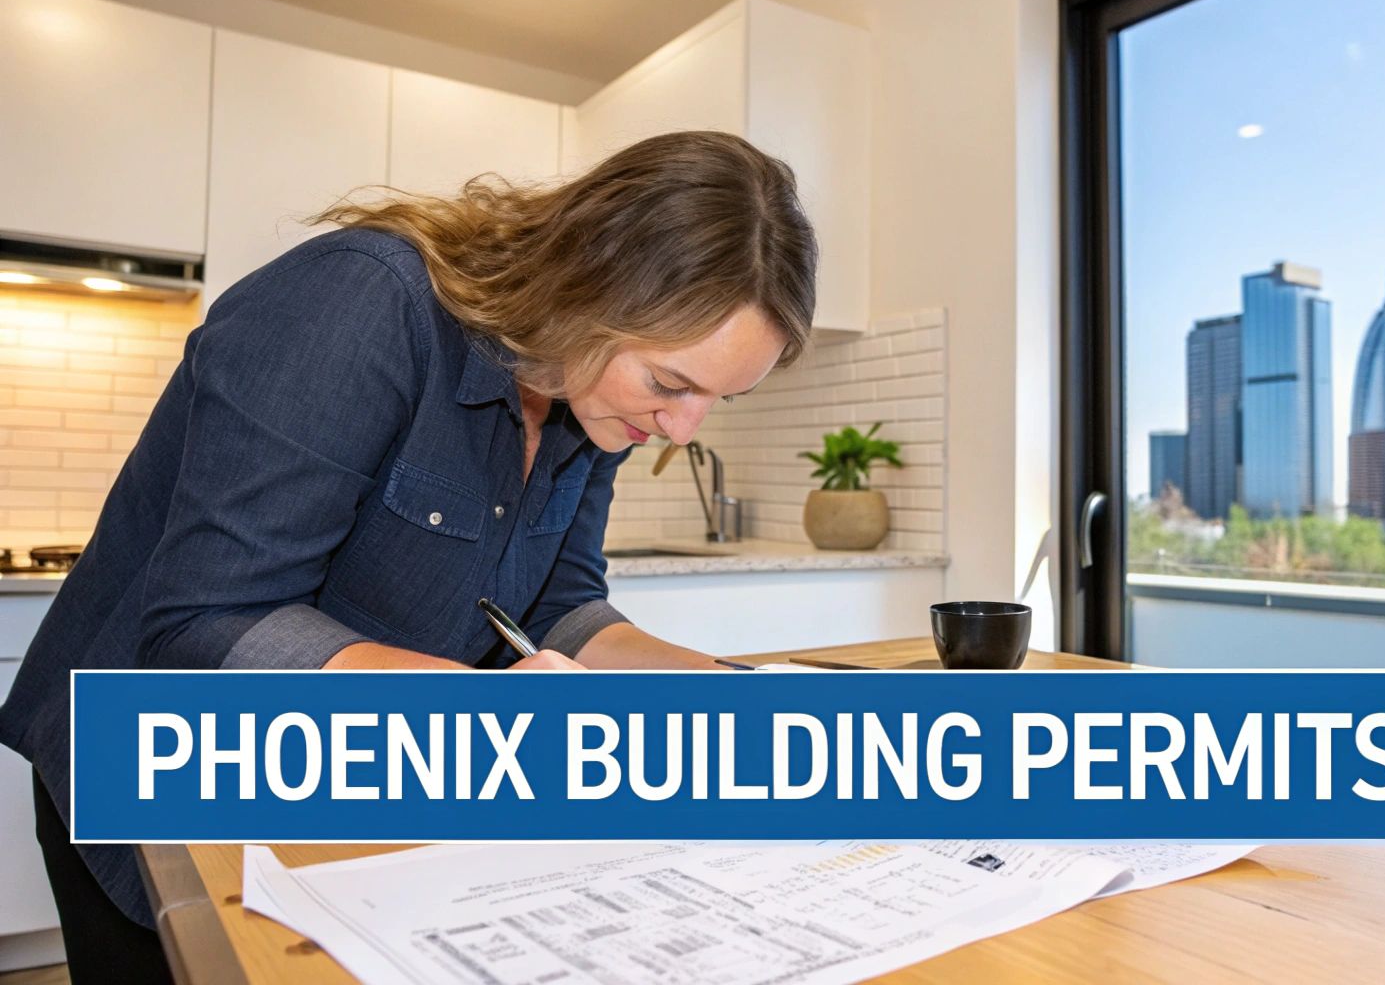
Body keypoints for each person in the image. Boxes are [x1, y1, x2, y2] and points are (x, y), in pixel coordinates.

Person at [0, 130, 817, 983]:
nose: (682, 429)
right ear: (589, 289)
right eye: (670, 384)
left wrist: (727, 693)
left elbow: (557, 609)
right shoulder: (358, 303)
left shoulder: (593, 400)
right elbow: (212, 622)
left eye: (718, 399)